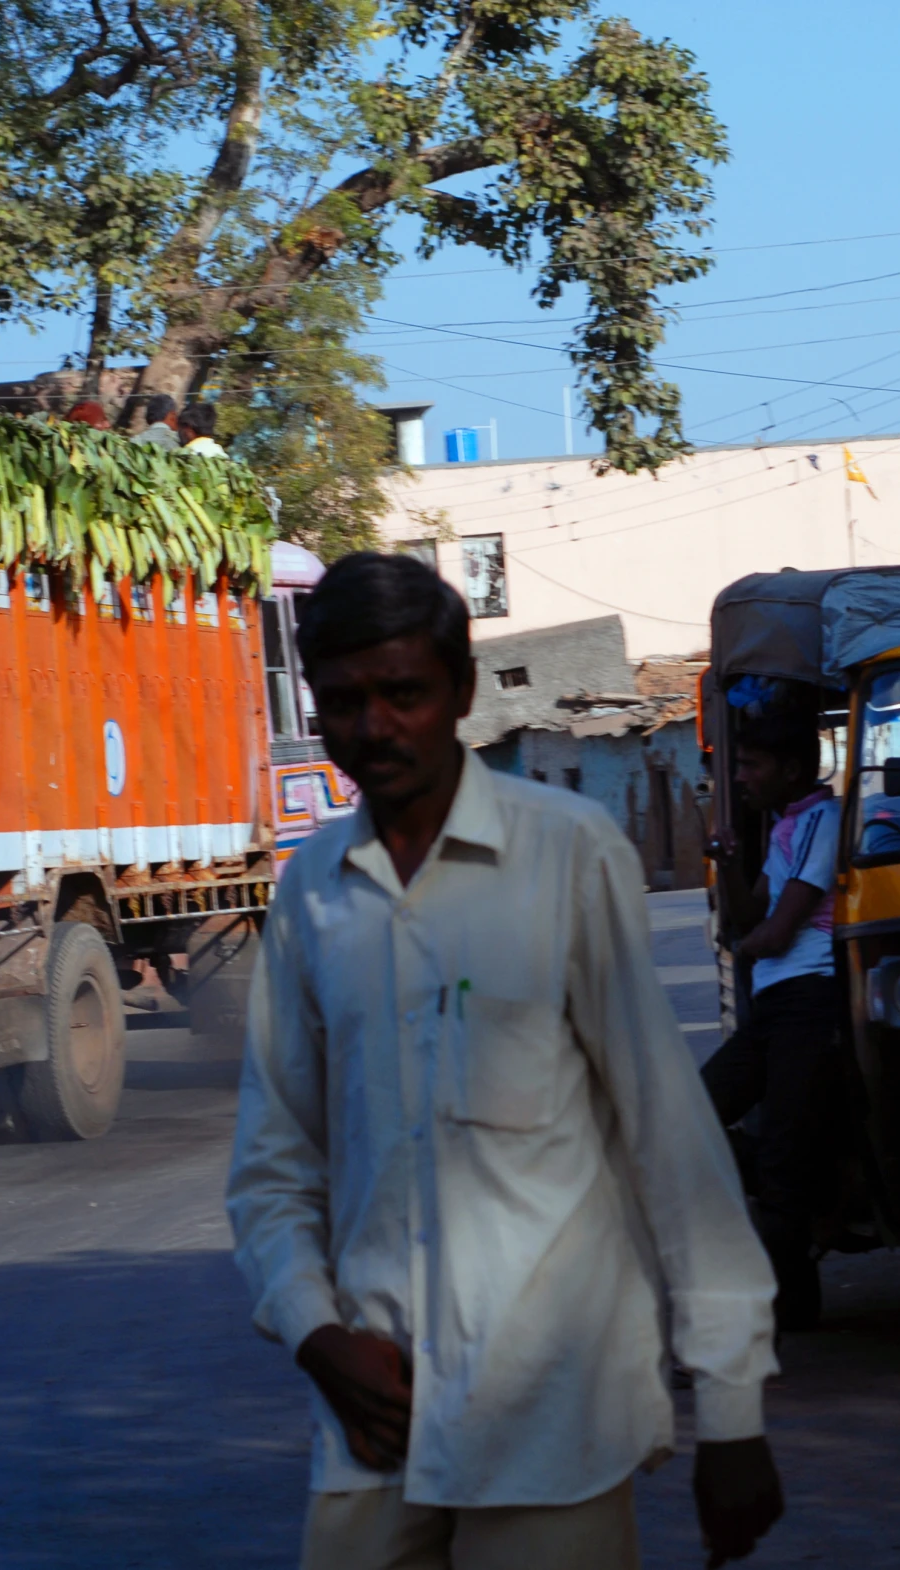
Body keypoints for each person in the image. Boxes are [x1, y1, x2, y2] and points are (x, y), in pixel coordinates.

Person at [228, 552, 783, 1570]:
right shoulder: (310, 894)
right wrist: (314, 1331)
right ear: (314, 702)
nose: (373, 725)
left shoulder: (568, 856)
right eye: (345, 699)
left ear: (460, 693)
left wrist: (733, 1405)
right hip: (374, 1420)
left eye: (403, 692)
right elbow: (271, 1162)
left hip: (551, 1414)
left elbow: (668, 1135)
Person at [703, 719, 845, 1331]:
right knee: (693, 1113)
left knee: (783, 1163)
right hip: (776, 1003)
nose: (739, 776)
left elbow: (774, 931)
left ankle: (790, 1312)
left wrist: (752, 943)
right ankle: (818, 1200)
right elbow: (747, 916)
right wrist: (728, 864)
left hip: (810, 1000)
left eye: (750, 765)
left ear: (791, 769)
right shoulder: (788, 826)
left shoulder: (826, 821)